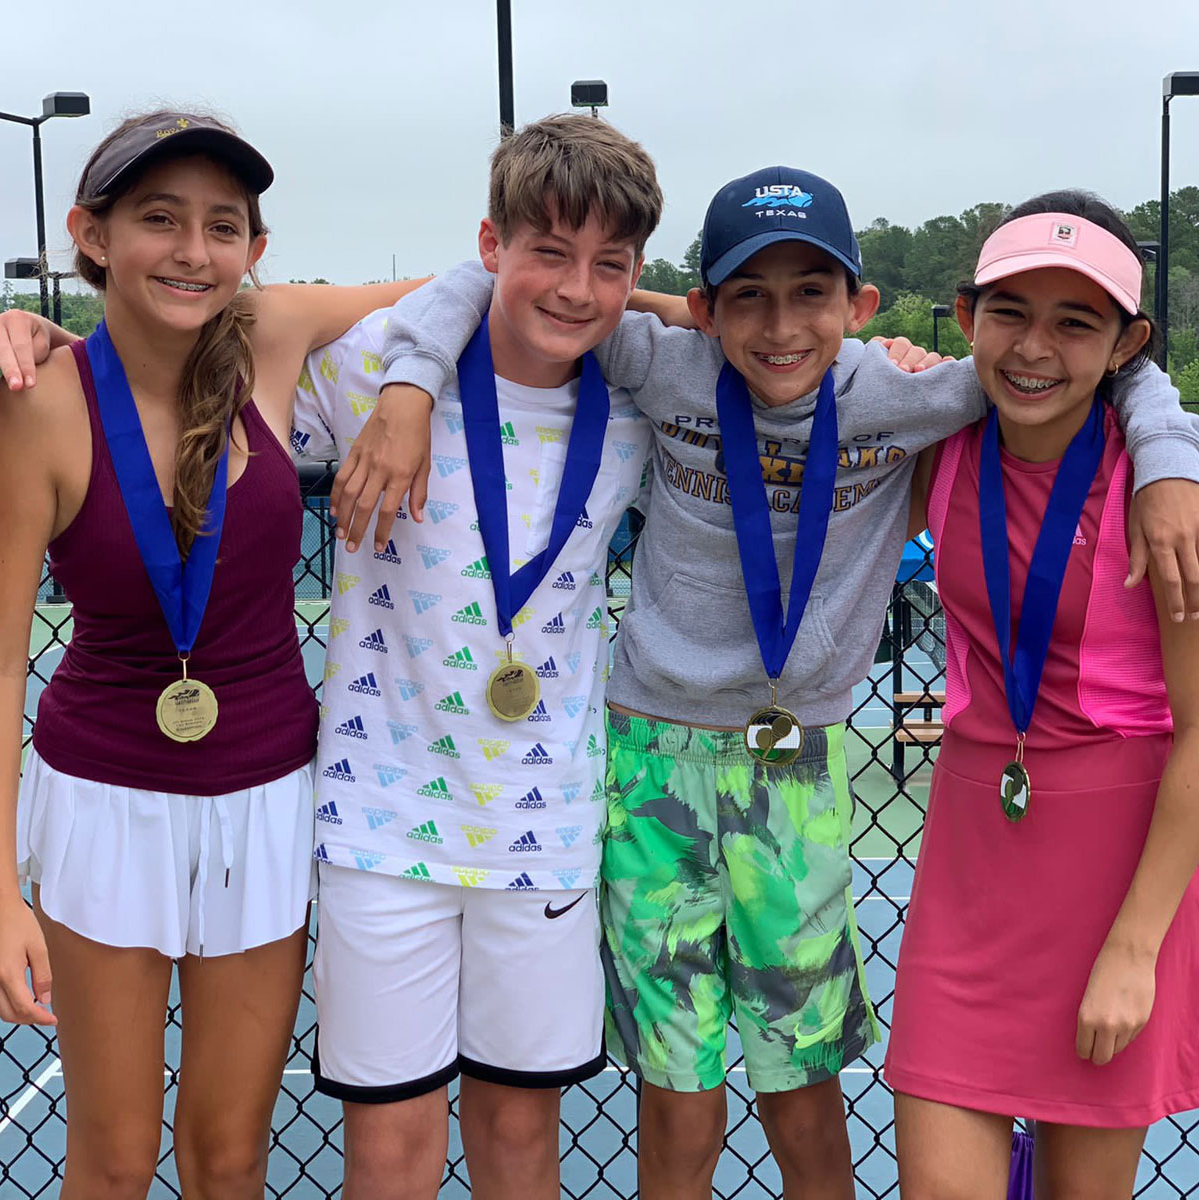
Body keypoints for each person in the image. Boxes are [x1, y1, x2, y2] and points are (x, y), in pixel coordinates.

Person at [363, 166, 1199, 1199]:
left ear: (861, 307)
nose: (781, 326)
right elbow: (494, 286)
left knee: (804, 1101)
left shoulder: (921, 395)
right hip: (650, 766)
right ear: (706, 309)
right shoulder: (662, 365)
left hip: (795, 768)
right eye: (747, 297)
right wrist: (406, 385)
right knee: (678, 1101)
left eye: (813, 294)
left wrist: (1166, 453)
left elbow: (1110, 363)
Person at [0, 110, 424, 1200]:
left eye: (221, 226)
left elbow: (480, 289)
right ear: (88, 235)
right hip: (102, 805)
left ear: (254, 249)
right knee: (111, 1157)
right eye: (158, 219)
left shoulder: (272, 336)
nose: (193, 251)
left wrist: (680, 314)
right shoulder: (39, 403)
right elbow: (0, 667)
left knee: (230, 1157)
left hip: (267, 797)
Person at [287, 113, 663, 1200]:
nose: (578, 290)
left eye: (610, 266)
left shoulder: (642, 399)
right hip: (379, 825)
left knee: (517, 1143)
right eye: (546, 251)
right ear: (490, 246)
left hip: (545, 829)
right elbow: (241, 330)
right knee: (394, 1151)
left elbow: (773, 348)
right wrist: (40, 338)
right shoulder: (371, 373)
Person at [885, 192, 1199, 1200]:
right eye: (1010, 310)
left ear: (1126, 344)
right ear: (967, 313)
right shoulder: (938, 444)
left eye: (1076, 321)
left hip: (1120, 862)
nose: (1034, 348)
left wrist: (1136, 949)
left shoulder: (1165, 500)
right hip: (973, 847)